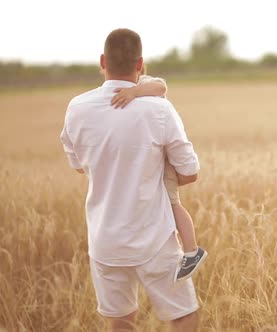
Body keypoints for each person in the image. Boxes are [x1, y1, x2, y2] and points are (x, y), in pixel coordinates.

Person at [60, 28, 200, 331]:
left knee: (121, 323)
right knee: (183, 314)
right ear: (140, 64)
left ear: (102, 61)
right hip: (155, 237)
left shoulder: (77, 108)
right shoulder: (159, 109)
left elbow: (80, 167)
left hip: (105, 240)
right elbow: (190, 172)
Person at [110, 66, 207, 282]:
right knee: (161, 206)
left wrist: (134, 92)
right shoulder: (124, 93)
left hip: (163, 165)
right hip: (150, 163)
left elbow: (161, 86)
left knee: (172, 204)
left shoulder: (145, 83)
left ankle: (192, 251)